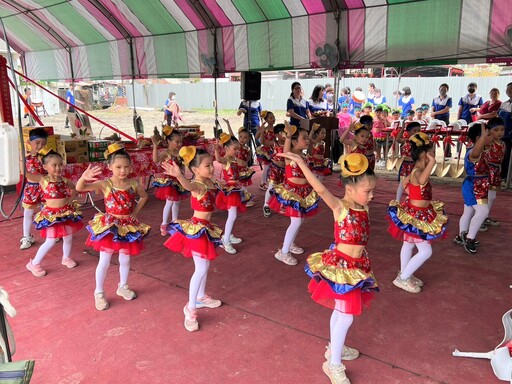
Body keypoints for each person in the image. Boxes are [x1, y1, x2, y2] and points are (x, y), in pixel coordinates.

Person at [279, 152, 377, 384]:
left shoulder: (364, 207)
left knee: (341, 312)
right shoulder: (340, 206)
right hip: (342, 267)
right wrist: (302, 163)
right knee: (346, 316)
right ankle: (333, 364)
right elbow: (321, 190)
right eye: (368, 191)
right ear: (350, 189)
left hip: (357, 266)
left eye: (372, 191)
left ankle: (335, 347)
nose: (372, 196)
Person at [76, 144, 150, 310]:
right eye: (118, 167)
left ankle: (122, 286)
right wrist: (84, 177)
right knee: (105, 260)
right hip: (111, 226)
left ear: (131, 167)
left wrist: (136, 212)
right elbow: (80, 188)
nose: (122, 170)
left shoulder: (133, 184)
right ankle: (99, 292)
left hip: (128, 226)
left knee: (125, 258)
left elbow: (144, 196)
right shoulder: (105, 184)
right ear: (110, 167)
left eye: (126, 167)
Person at [162, 146, 223, 332]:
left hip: (206, 229)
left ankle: (201, 296)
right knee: (201, 268)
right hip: (197, 230)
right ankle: (190, 307)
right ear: (195, 170)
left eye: (212, 164)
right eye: (207, 166)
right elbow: (188, 186)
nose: (211, 168)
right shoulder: (197, 184)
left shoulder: (210, 182)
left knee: (205, 266)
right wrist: (179, 176)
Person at [387, 133, 448, 293]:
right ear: (425, 154)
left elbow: (405, 182)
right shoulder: (418, 172)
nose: (433, 155)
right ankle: (403, 278)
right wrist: (432, 162)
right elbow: (421, 181)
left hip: (420, 211)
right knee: (426, 251)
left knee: (408, 244)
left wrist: (408, 192)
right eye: (431, 152)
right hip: (417, 215)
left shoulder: (416, 170)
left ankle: (405, 272)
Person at [26, 148, 83, 277]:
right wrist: (20, 161)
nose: (58, 168)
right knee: (50, 241)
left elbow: (75, 188)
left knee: (68, 237)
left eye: (60, 165)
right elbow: (26, 174)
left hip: (65, 213)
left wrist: (71, 198)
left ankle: (66, 258)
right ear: (45, 166)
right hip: (51, 216)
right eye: (54, 165)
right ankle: (34, 263)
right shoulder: (43, 179)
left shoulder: (64, 180)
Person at [268, 123, 320, 266]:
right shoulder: (290, 155)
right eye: (304, 138)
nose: (307, 140)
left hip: (304, 190)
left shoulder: (304, 155)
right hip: (293, 192)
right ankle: (283, 252)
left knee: (300, 220)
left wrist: (312, 132)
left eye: (307, 138)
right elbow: (286, 148)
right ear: (295, 141)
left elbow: (309, 145)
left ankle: (289, 244)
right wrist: (289, 136)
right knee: (296, 221)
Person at [453, 123, 493, 254]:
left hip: (479, 184)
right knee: (482, 212)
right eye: (489, 135)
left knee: (469, 211)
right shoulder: (473, 152)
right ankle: (470, 237)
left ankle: (461, 235)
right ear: (478, 138)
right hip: (473, 185)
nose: (491, 137)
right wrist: (483, 136)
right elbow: (477, 151)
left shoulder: (482, 150)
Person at [214, 133, 253, 254]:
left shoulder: (234, 159)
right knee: (233, 215)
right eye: (234, 149)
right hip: (231, 190)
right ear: (226, 149)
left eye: (238, 149)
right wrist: (216, 149)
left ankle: (228, 235)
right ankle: (225, 241)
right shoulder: (226, 160)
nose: (237, 151)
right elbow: (218, 159)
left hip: (236, 188)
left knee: (233, 215)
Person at [151, 126, 188, 235]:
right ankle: (164, 223)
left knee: (177, 202)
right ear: (169, 141)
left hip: (179, 179)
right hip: (169, 180)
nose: (179, 144)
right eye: (176, 142)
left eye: (180, 141)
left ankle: (174, 222)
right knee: (170, 202)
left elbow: (184, 165)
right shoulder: (166, 153)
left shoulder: (180, 152)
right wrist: (155, 147)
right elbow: (155, 160)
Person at [20, 128, 48, 250]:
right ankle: (26, 237)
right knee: (28, 213)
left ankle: (50, 233)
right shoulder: (24, 157)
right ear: (29, 142)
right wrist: (39, 178)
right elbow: (25, 173)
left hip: (45, 187)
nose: (40, 146)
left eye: (43, 143)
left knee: (47, 211)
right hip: (32, 188)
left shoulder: (46, 156)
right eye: (37, 142)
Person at [482, 117, 506, 228]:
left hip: (496, 171)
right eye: (496, 130)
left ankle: (485, 216)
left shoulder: (502, 143)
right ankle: (479, 217)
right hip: (486, 172)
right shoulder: (488, 143)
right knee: (483, 196)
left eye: (502, 130)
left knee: (492, 196)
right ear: (489, 130)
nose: (500, 132)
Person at [263, 123, 286, 218]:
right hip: (275, 169)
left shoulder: (290, 144)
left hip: (285, 170)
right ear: (276, 135)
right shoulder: (274, 143)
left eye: (285, 132)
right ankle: (266, 205)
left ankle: (282, 205)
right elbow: (263, 142)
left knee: (283, 188)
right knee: (271, 186)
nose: (284, 134)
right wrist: (261, 133)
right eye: (282, 132)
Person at [395, 122, 422, 201]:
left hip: (415, 166)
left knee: (415, 183)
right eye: (414, 130)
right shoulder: (405, 141)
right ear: (408, 132)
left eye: (419, 130)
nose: (417, 132)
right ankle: (397, 200)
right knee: (402, 183)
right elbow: (398, 139)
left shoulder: (420, 143)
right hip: (406, 165)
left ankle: (414, 198)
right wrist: (402, 129)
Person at [255, 110, 276, 190]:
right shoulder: (265, 129)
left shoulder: (275, 129)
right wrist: (260, 131)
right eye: (270, 118)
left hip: (273, 149)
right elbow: (257, 138)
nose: (273, 119)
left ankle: (271, 182)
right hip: (266, 150)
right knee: (266, 167)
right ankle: (262, 183)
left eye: (273, 117)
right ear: (266, 120)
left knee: (272, 167)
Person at [498, 82, 512, 180]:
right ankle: (503, 175)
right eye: (508, 89)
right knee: (502, 155)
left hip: (511, 135)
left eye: (511, 89)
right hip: (502, 135)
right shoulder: (504, 104)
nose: (510, 91)